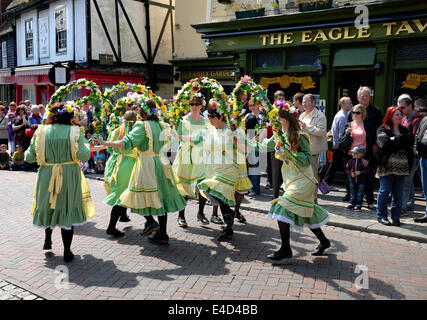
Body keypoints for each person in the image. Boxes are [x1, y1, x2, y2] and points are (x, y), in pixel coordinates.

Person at [95, 99, 186, 244]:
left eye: (138, 110)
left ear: (143, 112)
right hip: (162, 163)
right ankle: (162, 233)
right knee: (160, 198)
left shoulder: (142, 126)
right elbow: (173, 143)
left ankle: (150, 224)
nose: (137, 113)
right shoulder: (162, 125)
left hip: (146, 164)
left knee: (141, 196)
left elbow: (126, 143)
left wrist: (104, 143)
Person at [253, 103, 331, 260]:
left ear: (284, 117)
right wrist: (240, 143)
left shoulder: (300, 135)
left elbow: (308, 159)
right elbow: (262, 147)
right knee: (307, 213)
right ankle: (324, 241)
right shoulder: (278, 135)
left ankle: (285, 248)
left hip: (303, 180)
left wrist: (289, 153)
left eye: (277, 116)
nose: (274, 119)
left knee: (281, 207)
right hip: (290, 179)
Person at [24, 103, 95, 262]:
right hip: (68, 174)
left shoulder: (40, 131)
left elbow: (29, 157)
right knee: (66, 207)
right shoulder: (75, 131)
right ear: (69, 116)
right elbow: (84, 156)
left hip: (47, 174)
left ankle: (47, 239)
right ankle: (67, 251)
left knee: (49, 204)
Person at [197, 104, 245, 241]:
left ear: (221, 116)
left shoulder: (231, 130)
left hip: (229, 168)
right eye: (208, 116)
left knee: (213, 188)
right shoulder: (210, 130)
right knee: (214, 192)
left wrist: (237, 143)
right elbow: (197, 140)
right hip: (214, 168)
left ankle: (228, 221)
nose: (210, 119)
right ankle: (228, 222)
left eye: (212, 116)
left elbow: (245, 149)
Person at [173, 95, 209, 228]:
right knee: (185, 185)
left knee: (203, 184)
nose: (193, 106)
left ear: (201, 105)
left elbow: (206, 137)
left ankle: (201, 213)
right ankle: (181, 215)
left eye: (196, 104)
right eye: (191, 104)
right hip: (186, 155)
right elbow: (176, 136)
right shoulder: (183, 120)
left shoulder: (206, 121)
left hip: (201, 155)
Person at [376, 107, 414, 227]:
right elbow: (384, 144)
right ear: (390, 116)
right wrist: (398, 141)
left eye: (400, 114)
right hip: (387, 165)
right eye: (396, 114)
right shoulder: (382, 129)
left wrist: (394, 139)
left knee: (398, 193)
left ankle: (396, 217)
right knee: (385, 191)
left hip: (402, 167)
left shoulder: (405, 130)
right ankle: (381, 216)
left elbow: (409, 141)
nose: (399, 116)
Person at [103, 111, 139, 237]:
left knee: (121, 192)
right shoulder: (135, 132)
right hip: (128, 165)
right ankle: (111, 227)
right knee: (123, 195)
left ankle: (123, 216)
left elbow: (109, 149)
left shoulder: (115, 131)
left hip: (115, 163)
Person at [348, 86, 382, 209]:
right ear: (357, 97)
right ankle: (354, 199)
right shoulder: (353, 111)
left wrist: (376, 144)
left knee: (368, 175)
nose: (365, 97)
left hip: (368, 148)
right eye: (362, 96)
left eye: (367, 95)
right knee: (352, 175)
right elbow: (348, 127)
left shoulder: (375, 111)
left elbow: (380, 129)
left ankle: (369, 200)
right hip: (352, 150)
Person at [299, 94, 327, 203]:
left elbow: (321, 132)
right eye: (303, 102)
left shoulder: (320, 115)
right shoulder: (302, 115)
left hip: (312, 151)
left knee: (312, 176)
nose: (303, 104)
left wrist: (306, 127)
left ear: (313, 103)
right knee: (303, 176)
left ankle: (313, 199)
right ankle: (304, 198)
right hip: (301, 150)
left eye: (306, 102)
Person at [398, 94, 424, 214]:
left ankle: (402, 207)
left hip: (412, 155)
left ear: (410, 106)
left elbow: (414, 139)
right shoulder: (404, 118)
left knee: (405, 180)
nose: (400, 110)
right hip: (405, 154)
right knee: (408, 179)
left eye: (402, 108)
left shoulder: (417, 119)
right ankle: (409, 203)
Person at [324, 97, 353, 188]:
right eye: (349, 103)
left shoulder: (342, 114)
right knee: (344, 165)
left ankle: (326, 184)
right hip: (340, 145)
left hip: (337, 144)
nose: (351, 105)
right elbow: (342, 134)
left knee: (334, 165)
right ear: (343, 105)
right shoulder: (342, 116)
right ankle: (349, 186)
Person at [271, 91, 286, 199]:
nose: (281, 99)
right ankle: (275, 194)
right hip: (275, 143)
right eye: (279, 97)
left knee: (286, 168)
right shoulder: (271, 110)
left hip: (287, 143)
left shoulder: (287, 109)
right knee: (276, 170)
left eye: (282, 97)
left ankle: (287, 194)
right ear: (275, 99)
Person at [345, 146, 369, 211]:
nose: (353, 154)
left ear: (361, 154)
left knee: (360, 193)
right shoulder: (350, 161)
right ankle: (352, 204)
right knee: (352, 192)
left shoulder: (364, 162)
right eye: (353, 153)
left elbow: (367, 170)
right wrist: (350, 173)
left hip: (361, 180)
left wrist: (360, 172)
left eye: (355, 153)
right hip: (352, 180)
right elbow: (346, 169)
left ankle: (359, 205)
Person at [245, 98, 261, 196]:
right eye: (250, 105)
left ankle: (255, 189)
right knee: (247, 166)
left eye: (253, 105)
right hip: (247, 139)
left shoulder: (262, 117)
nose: (252, 107)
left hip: (257, 142)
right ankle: (247, 187)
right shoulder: (247, 115)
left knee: (254, 166)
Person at [414, 115, 427, 223]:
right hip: (423, 158)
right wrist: (416, 151)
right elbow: (418, 135)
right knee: (426, 188)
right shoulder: (424, 119)